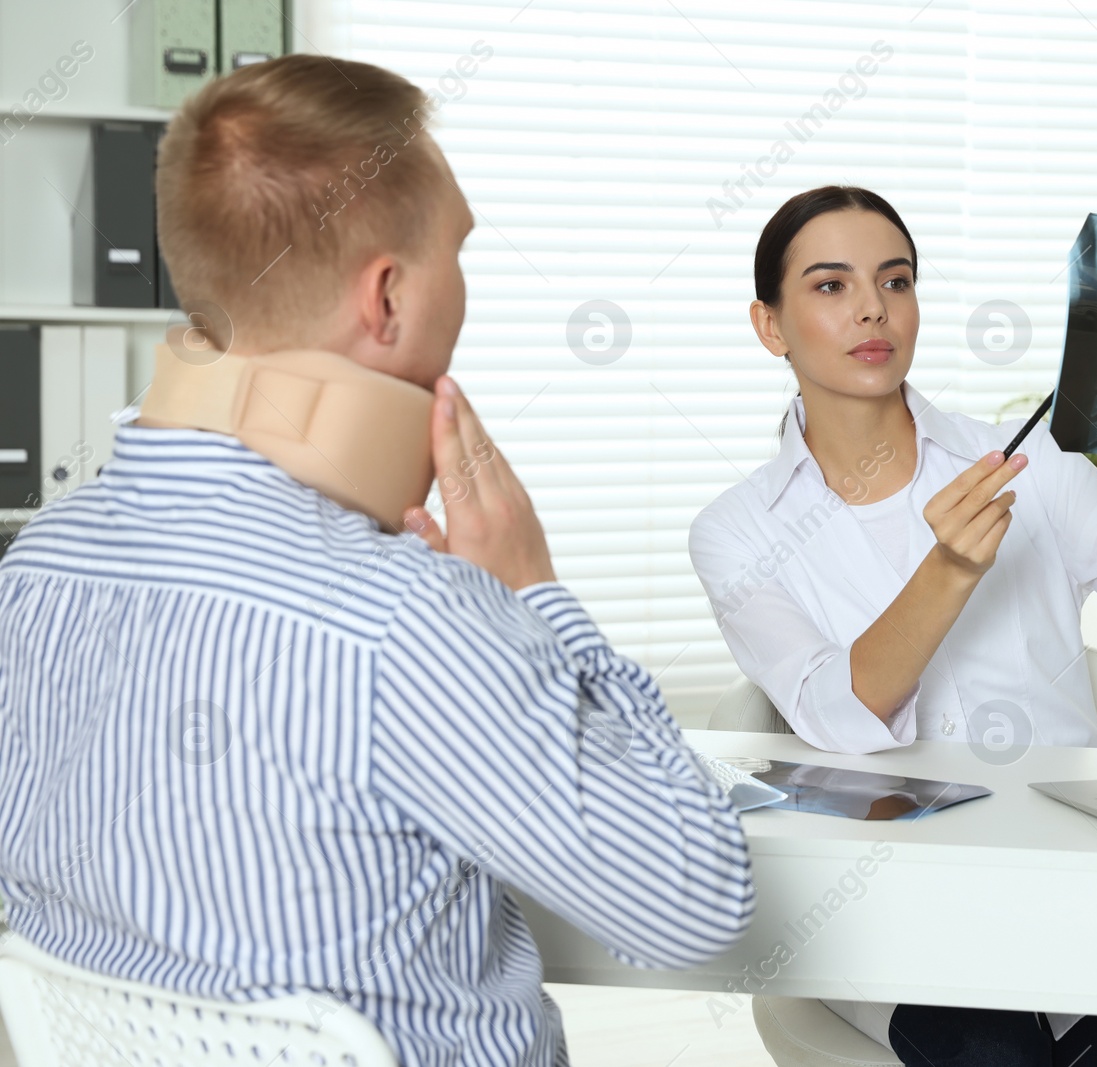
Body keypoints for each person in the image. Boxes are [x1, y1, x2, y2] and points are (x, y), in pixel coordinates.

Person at [0, 56, 753, 1067]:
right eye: (459, 252)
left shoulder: (39, 565)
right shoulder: (409, 617)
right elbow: (690, 903)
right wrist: (532, 596)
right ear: (388, 298)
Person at [687, 186, 1097, 1066]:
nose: (874, 307)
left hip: (1080, 885)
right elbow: (836, 713)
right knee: (990, 1049)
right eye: (831, 286)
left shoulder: (1038, 469)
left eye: (896, 279)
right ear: (771, 325)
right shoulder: (739, 529)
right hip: (893, 911)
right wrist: (949, 571)